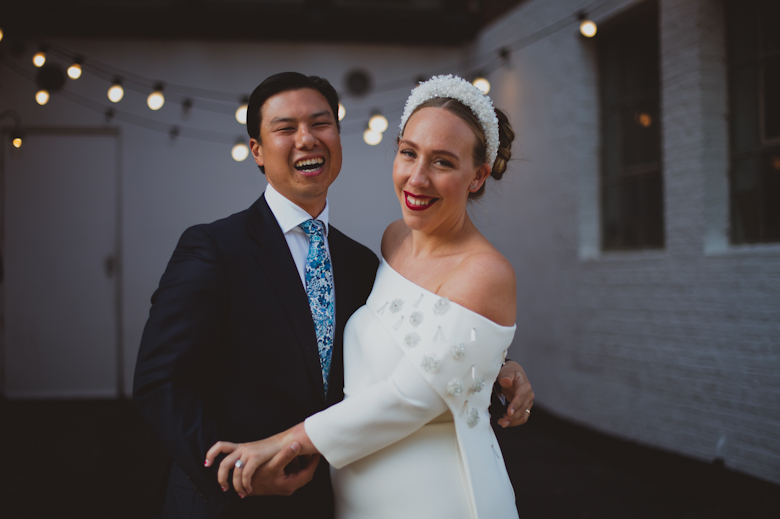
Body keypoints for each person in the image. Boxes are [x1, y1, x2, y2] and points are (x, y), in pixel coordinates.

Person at [134, 72, 534, 519]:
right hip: (230, 503)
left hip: (330, 501)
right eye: (285, 128)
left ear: (339, 139)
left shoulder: (361, 260)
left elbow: (422, 339)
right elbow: (161, 384)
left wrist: (496, 364)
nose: (306, 139)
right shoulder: (212, 249)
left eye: (320, 124)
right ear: (258, 152)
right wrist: (235, 472)